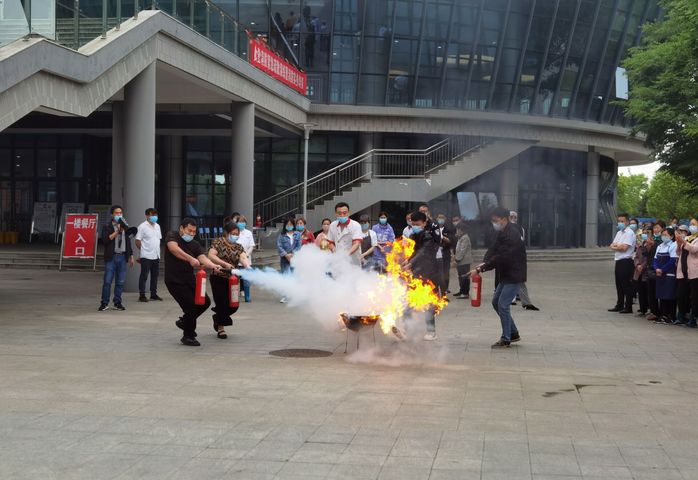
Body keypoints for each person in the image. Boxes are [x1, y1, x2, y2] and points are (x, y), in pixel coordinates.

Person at [471, 207, 526, 348]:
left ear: (504, 219)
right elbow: (493, 248)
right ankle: (513, 333)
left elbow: (501, 256)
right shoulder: (502, 232)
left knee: (503, 305)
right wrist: (484, 262)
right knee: (496, 302)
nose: (494, 223)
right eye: (492, 221)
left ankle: (506, 338)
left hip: (514, 274)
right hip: (506, 274)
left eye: (495, 220)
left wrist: (481, 268)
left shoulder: (512, 235)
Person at [165, 218, 221, 346]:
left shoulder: (195, 244)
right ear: (181, 228)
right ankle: (188, 336)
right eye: (189, 230)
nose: (191, 234)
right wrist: (190, 258)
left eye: (194, 232)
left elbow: (202, 258)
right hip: (174, 280)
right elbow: (174, 249)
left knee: (205, 302)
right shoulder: (172, 236)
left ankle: (185, 321)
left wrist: (213, 266)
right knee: (190, 306)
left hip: (190, 280)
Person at [207, 220, 251, 339]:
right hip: (218, 278)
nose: (235, 236)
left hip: (233, 280)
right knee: (222, 303)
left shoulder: (238, 246)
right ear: (226, 233)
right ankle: (221, 329)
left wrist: (247, 266)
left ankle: (217, 318)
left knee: (233, 305)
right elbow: (211, 255)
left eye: (237, 234)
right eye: (233, 233)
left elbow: (243, 257)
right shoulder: (218, 242)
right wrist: (224, 264)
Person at [405, 211, 441, 340]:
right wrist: (407, 260)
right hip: (416, 273)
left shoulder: (428, 236)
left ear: (424, 223)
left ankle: (431, 331)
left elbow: (423, 252)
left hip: (429, 274)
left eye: (417, 224)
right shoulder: (413, 236)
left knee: (429, 304)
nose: (415, 226)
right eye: (413, 224)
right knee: (408, 302)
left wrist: (411, 263)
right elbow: (413, 251)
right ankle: (407, 330)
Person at [99, 205, 134, 311]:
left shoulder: (125, 226)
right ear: (112, 215)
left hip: (122, 257)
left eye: (120, 213)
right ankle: (104, 303)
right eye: (117, 213)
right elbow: (105, 240)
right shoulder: (107, 226)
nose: (119, 215)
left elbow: (128, 242)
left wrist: (131, 255)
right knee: (107, 281)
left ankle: (117, 302)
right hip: (111, 257)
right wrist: (117, 231)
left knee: (120, 282)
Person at [508, 210, 539, 311]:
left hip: (515, 258)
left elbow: (520, 243)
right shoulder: (508, 228)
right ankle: (519, 301)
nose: (513, 219)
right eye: (512, 216)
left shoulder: (518, 228)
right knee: (513, 280)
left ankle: (522, 302)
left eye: (515, 217)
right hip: (512, 258)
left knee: (516, 280)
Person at [608, 213, 636, 314]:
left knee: (626, 284)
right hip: (619, 260)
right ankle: (619, 304)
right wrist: (617, 246)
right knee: (619, 284)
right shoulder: (619, 233)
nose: (620, 223)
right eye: (619, 221)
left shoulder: (629, 233)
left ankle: (628, 306)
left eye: (622, 221)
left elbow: (624, 248)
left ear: (627, 222)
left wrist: (616, 246)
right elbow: (612, 245)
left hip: (626, 261)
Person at [135, 208, 163, 303]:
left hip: (156, 255)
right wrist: (143, 250)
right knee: (144, 276)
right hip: (146, 256)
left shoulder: (158, 226)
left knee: (155, 276)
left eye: (156, 215)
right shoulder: (142, 226)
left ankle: (153, 294)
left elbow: (158, 239)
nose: (154, 217)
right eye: (152, 215)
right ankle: (142, 295)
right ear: (147, 216)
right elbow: (137, 241)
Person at [653, 227, 678, 324]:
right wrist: (656, 269)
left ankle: (671, 316)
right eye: (662, 235)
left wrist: (662, 270)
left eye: (665, 235)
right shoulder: (660, 246)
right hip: (660, 274)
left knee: (670, 295)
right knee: (661, 295)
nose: (663, 237)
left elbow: (672, 260)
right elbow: (655, 260)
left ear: (671, 236)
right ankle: (663, 315)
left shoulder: (673, 245)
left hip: (669, 274)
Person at [277, 217, 301, 303]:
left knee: (294, 276)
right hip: (284, 259)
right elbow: (279, 246)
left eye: (291, 224)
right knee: (285, 276)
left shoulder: (297, 234)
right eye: (287, 224)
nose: (289, 226)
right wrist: (286, 255)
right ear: (285, 225)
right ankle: (285, 296)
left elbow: (299, 246)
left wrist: (293, 254)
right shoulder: (282, 235)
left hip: (295, 258)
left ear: (293, 225)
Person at [680, 217, 698, 328]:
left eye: (694, 224)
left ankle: (694, 317)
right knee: (688, 295)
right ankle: (688, 315)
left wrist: (683, 242)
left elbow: (694, 249)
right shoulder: (688, 237)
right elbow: (680, 250)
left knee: (695, 296)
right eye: (690, 224)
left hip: (696, 270)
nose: (691, 226)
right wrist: (680, 242)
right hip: (686, 269)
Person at [674, 224, 693, 325]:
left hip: (691, 272)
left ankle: (689, 316)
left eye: (682, 231)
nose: (681, 233)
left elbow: (693, 249)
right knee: (680, 295)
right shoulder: (681, 242)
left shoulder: (692, 240)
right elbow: (678, 253)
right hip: (682, 271)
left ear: (687, 232)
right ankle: (681, 315)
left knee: (691, 296)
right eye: (679, 231)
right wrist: (678, 243)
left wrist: (683, 241)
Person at [646, 221, 664, 321]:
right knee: (651, 292)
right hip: (650, 267)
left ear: (663, 229)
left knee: (659, 291)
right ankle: (654, 311)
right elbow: (646, 253)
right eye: (655, 228)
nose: (656, 230)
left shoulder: (662, 240)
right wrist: (648, 246)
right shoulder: (651, 239)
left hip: (659, 268)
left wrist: (654, 245)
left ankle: (662, 312)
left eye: (658, 228)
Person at [633, 227, 653, 318]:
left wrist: (642, 266)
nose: (645, 235)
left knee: (647, 292)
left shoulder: (651, 245)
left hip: (646, 271)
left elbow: (648, 258)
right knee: (640, 291)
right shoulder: (640, 245)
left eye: (647, 233)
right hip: (639, 271)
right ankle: (642, 309)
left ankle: (649, 309)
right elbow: (636, 256)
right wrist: (637, 265)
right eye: (643, 233)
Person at [235, 215, 255, 303]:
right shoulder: (234, 233)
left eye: (243, 222)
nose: (241, 224)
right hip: (235, 260)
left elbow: (252, 246)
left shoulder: (248, 233)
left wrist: (246, 254)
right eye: (240, 222)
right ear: (236, 223)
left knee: (246, 279)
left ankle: (247, 296)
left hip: (246, 260)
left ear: (245, 223)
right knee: (235, 278)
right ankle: (234, 295)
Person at [435, 213, 454, 296]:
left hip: (445, 253)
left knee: (445, 272)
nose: (441, 219)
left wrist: (441, 236)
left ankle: (445, 289)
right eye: (439, 218)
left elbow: (450, 240)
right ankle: (436, 289)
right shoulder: (434, 228)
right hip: (436, 254)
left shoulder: (448, 229)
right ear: (437, 219)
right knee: (437, 273)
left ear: (445, 219)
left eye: (442, 218)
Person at [453, 223, 472, 299]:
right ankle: (461, 291)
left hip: (464, 261)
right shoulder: (461, 237)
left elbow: (462, 250)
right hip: (461, 261)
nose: (457, 231)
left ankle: (465, 293)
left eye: (458, 229)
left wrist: (457, 259)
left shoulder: (465, 238)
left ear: (462, 230)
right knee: (460, 277)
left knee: (465, 277)